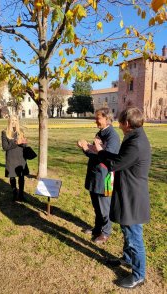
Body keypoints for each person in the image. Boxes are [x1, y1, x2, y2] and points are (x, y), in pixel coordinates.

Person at [94, 107, 151, 289]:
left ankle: (138, 275)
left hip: (133, 196)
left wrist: (100, 151)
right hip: (129, 192)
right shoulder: (135, 137)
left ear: (127, 124)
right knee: (128, 232)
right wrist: (101, 152)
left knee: (134, 237)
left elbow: (115, 164)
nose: (118, 125)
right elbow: (120, 158)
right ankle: (127, 259)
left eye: (120, 122)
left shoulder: (136, 143)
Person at [77, 108, 120, 244]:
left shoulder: (112, 136)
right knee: (96, 205)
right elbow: (96, 151)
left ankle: (106, 232)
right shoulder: (100, 133)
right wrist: (87, 146)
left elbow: (106, 157)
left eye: (98, 118)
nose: (96, 121)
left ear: (107, 119)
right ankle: (97, 228)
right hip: (95, 175)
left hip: (106, 177)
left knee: (104, 206)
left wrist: (86, 149)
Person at [2, 114, 29, 202]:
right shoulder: (4, 132)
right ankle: (14, 194)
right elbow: (5, 147)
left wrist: (24, 143)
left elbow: (24, 145)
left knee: (21, 177)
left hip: (21, 157)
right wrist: (16, 142)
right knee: (12, 176)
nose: (14, 122)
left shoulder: (20, 131)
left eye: (15, 120)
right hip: (11, 157)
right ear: (9, 121)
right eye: (12, 120)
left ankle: (21, 195)